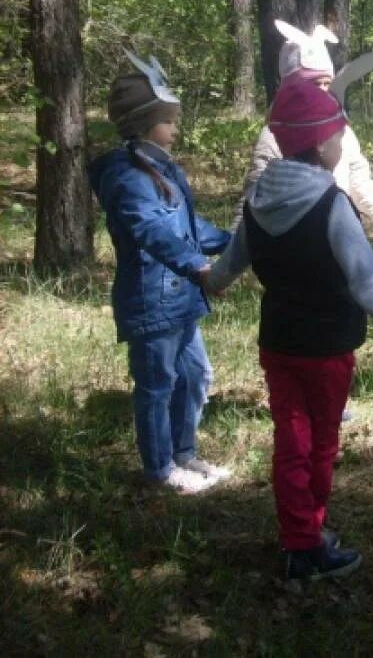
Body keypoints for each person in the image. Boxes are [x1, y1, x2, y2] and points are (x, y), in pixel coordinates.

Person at [206, 79, 373, 581]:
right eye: (340, 135)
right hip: (326, 349)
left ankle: (299, 534)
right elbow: (368, 283)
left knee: (290, 438)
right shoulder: (331, 205)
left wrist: (212, 281)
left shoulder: (260, 198)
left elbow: (233, 260)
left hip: (278, 341)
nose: (342, 143)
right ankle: (307, 543)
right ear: (325, 142)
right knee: (319, 443)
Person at [89, 53, 233, 494]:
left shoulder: (165, 169)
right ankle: (160, 469)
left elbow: (189, 229)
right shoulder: (127, 176)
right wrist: (198, 266)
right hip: (152, 300)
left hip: (182, 299)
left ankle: (183, 452)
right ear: (143, 122)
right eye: (168, 120)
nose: (175, 128)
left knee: (195, 375)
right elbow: (149, 229)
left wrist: (236, 241)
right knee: (157, 383)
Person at [236, 19, 373, 240]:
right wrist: (232, 247)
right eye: (314, 84)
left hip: (340, 238)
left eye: (326, 83)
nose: (322, 91)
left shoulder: (341, 131)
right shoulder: (274, 135)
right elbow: (254, 200)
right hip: (293, 247)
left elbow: (360, 185)